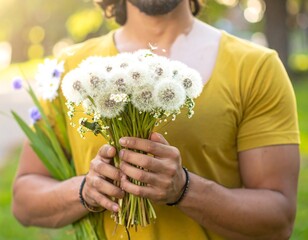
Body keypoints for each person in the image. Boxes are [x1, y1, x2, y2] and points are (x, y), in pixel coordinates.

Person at [12, 0, 300, 239]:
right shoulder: (68, 72)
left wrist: (185, 189)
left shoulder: (256, 68)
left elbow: (278, 221)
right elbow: (24, 202)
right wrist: (86, 190)